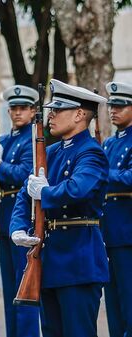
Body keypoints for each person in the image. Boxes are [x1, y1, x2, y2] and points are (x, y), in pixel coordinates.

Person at [10, 79, 109, 336]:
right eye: (51, 109)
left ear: (78, 114)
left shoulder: (91, 153)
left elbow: (78, 189)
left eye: (58, 110)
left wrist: (44, 191)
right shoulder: (51, 152)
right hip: (50, 259)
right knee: (52, 331)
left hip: (78, 260)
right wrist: (18, 227)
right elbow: (24, 193)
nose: (51, 115)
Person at [0, 85, 40, 337]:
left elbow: (24, 173)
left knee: (23, 282)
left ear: (33, 110)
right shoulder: (3, 140)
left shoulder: (31, 140)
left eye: (23, 108)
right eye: (13, 108)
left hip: (22, 219)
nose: (17, 113)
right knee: (9, 287)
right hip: (2, 217)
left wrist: (0, 164)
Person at [101, 81, 132, 337]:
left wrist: (103, 173)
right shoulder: (109, 144)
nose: (114, 109)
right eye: (112, 104)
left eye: (120, 105)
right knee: (112, 302)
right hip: (108, 232)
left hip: (127, 231)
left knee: (129, 298)